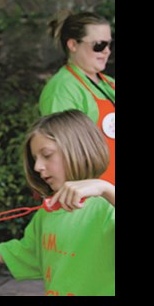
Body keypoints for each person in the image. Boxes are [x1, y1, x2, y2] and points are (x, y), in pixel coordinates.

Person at [0, 110, 115, 296]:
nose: (37, 167)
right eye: (35, 159)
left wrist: (104, 188)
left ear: (80, 150)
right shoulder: (47, 213)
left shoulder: (107, 206)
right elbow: (27, 252)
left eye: (47, 155)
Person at [39, 10, 115, 184]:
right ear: (73, 45)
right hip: (94, 197)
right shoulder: (62, 89)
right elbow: (62, 153)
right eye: (98, 45)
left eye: (110, 45)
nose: (107, 52)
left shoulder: (108, 83)